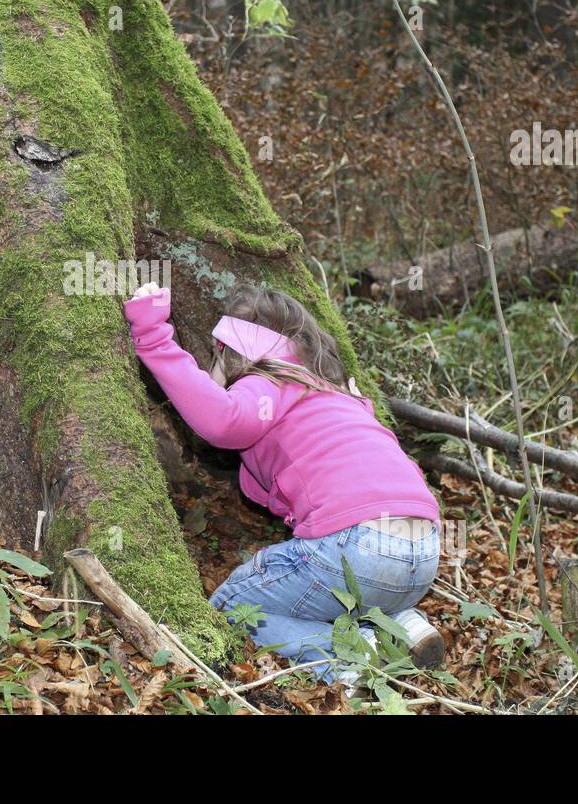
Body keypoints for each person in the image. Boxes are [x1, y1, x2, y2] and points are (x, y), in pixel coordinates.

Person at [122, 281, 445, 684]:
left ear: (228, 351)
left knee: (234, 605)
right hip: (424, 549)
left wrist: (154, 339)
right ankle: (404, 624)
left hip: (356, 545)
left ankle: (354, 653)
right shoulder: (341, 399)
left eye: (213, 353)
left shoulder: (269, 381)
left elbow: (219, 420)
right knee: (348, 585)